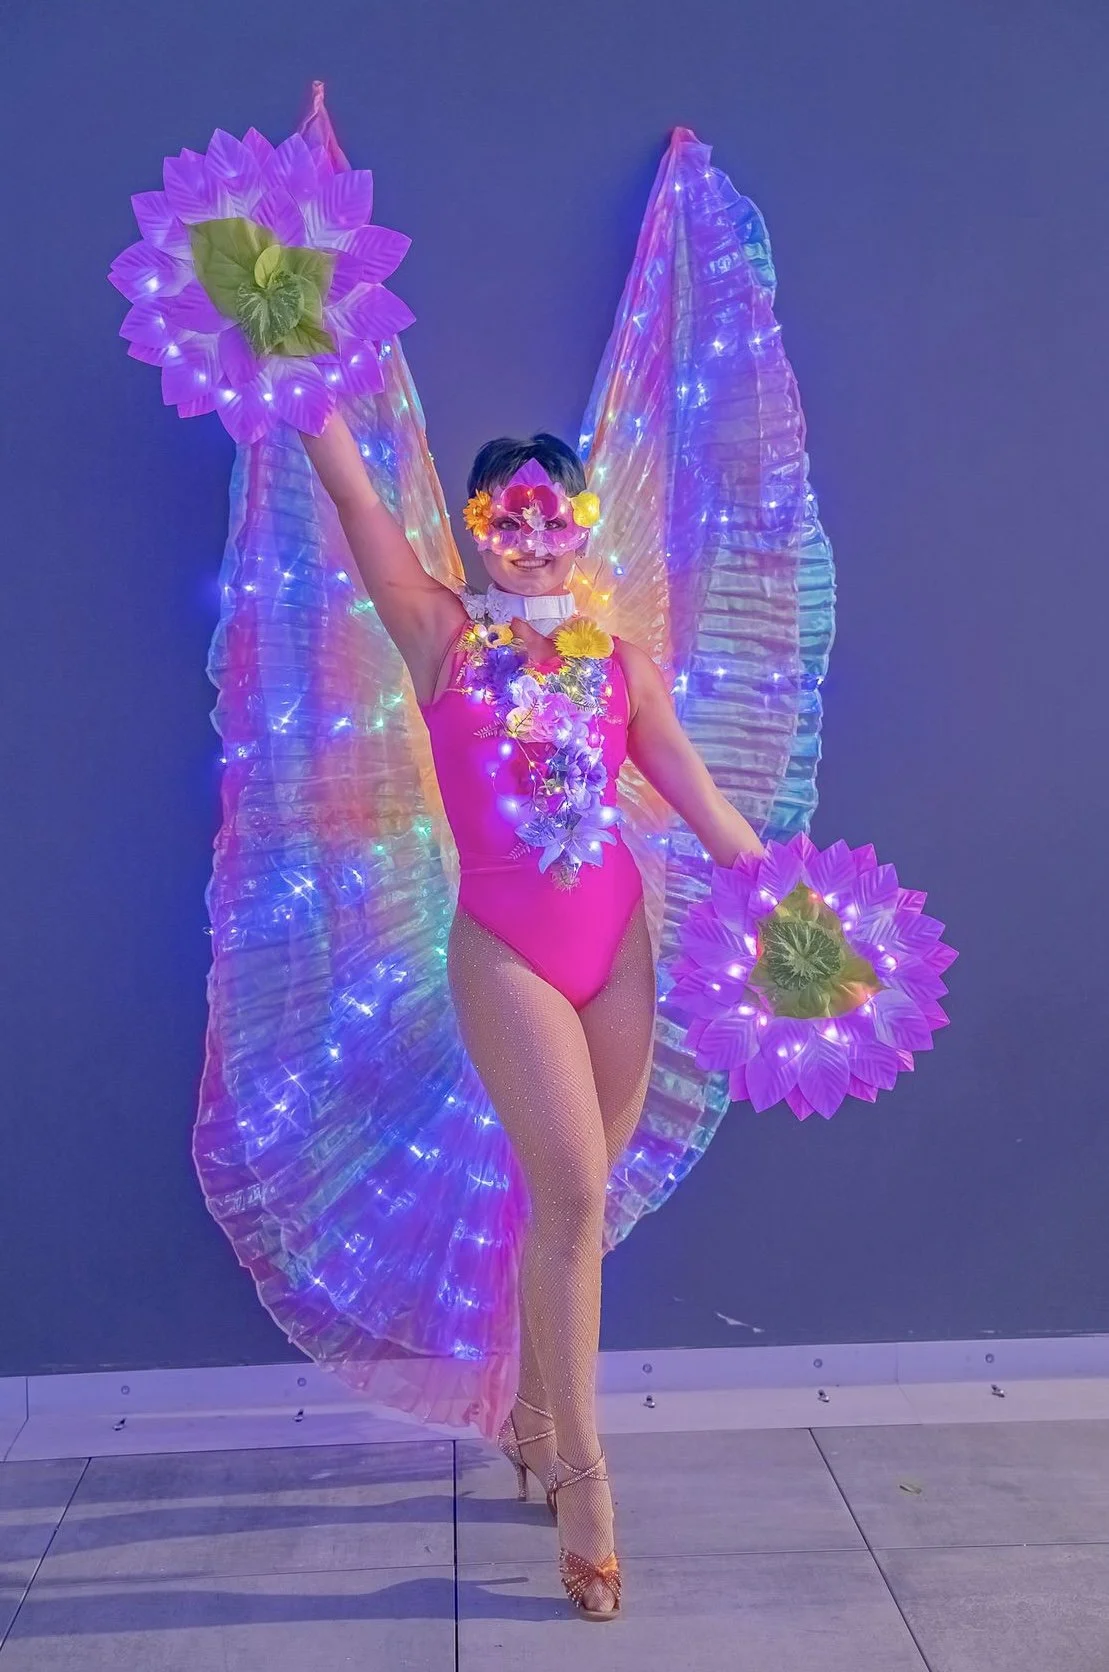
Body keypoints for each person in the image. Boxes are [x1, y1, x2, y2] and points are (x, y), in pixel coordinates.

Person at [301, 410, 766, 1620]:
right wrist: (310, 395)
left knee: (578, 1207)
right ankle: (582, 1482)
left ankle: (529, 1414)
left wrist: (793, 920)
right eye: (507, 513)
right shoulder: (441, 635)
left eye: (551, 512)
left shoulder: (619, 664)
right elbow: (359, 512)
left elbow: (714, 820)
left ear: (581, 526)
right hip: (503, 949)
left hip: (616, 948)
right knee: (566, 1190)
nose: (531, 533)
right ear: (477, 527)